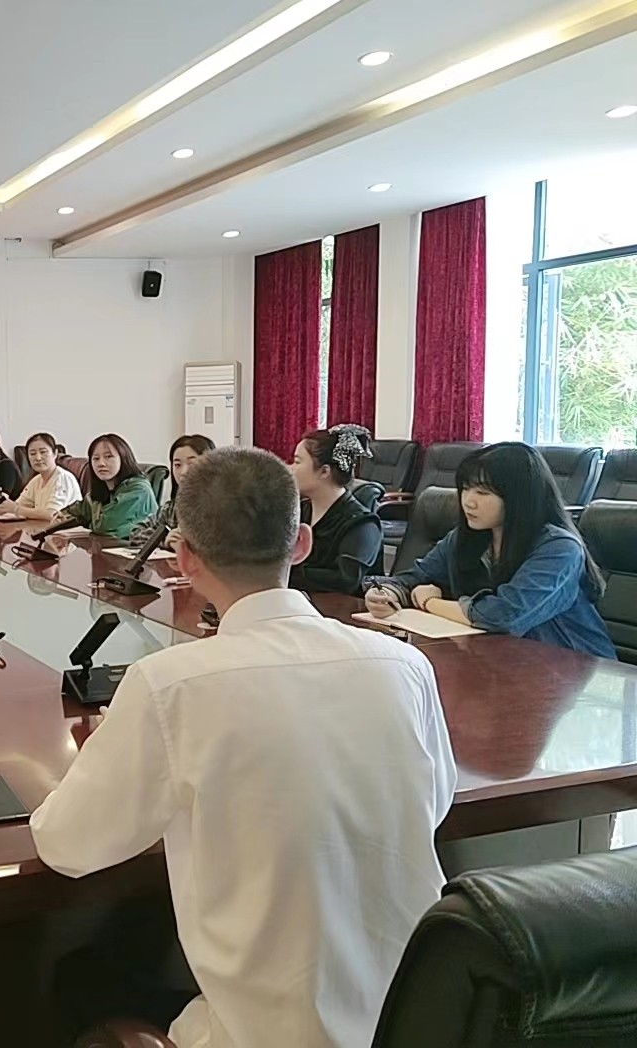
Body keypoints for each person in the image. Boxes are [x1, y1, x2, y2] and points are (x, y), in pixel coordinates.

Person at [30, 446, 456, 1048]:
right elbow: (434, 804)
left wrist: (119, 755)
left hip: (261, 1033)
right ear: (301, 543)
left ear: (185, 558)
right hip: (417, 1016)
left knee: (78, 974)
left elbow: (66, 845)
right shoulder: (405, 665)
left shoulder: (169, 684)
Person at [364, 441, 615, 657]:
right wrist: (387, 593)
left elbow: (503, 616)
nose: (468, 501)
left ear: (518, 497)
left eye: (483, 493)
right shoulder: (467, 536)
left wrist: (430, 602)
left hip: (573, 671)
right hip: (500, 660)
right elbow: (414, 578)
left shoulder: (560, 548)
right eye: (465, 489)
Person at [288, 425, 383, 595]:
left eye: (297, 462)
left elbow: (345, 580)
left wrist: (284, 569)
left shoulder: (362, 523)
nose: (290, 469)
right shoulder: (300, 511)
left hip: (343, 608)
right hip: (300, 603)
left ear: (324, 471)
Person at [57, 433, 158, 540]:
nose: (101, 463)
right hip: (108, 546)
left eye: (109, 457)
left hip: (135, 548)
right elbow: (75, 511)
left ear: (124, 458)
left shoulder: (139, 490)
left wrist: (88, 522)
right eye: (96, 458)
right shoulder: (103, 489)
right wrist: (60, 517)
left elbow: (104, 527)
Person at [133, 434, 215, 548]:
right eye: (177, 465)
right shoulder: (170, 508)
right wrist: (164, 540)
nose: (183, 472)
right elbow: (136, 533)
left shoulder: (222, 509)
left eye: (192, 464)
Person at [4, 432, 82, 521]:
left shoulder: (63, 478)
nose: (38, 458)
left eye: (43, 452)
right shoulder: (36, 480)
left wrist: (16, 509)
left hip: (66, 529)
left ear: (55, 453)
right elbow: (19, 505)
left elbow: (50, 514)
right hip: (41, 527)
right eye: (32, 454)